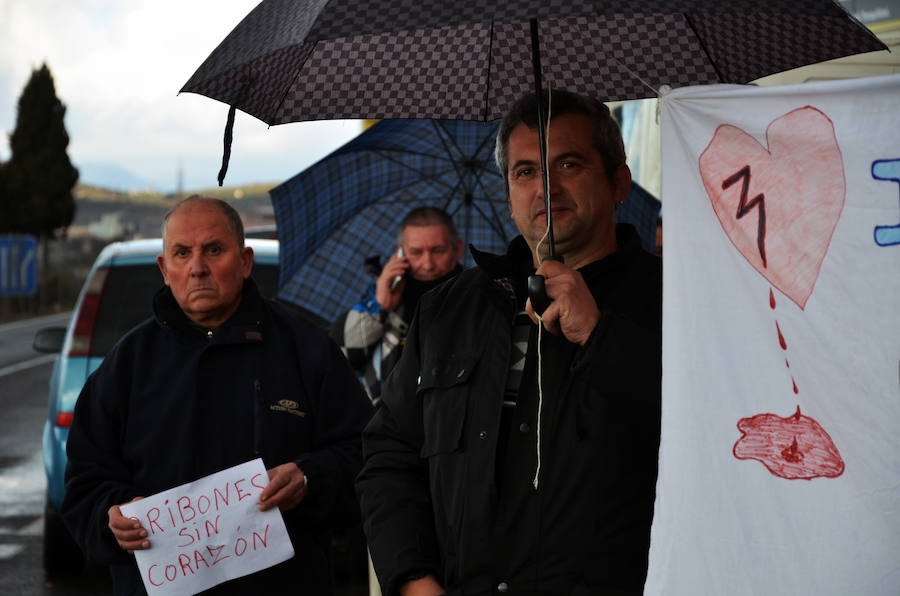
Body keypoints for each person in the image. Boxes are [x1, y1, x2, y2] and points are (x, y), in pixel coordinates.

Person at [356, 90, 662, 596]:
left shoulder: (679, 303)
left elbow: (717, 439)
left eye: (568, 163)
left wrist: (600, 335)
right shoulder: (450, 309)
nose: (546, 188)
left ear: (619, 182)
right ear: (508, 193)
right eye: (525, 172)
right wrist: (412, 579)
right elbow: (389, 454)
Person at [62, 196, 374, 595]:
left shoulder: (306, 350)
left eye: (213, 250)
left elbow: (365, 453)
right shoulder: (127, 364)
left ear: (244, 262)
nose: (197, 268)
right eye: (182, 253)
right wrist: (112, 517)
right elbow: (85, 481)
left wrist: (311, 477)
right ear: (164, 269)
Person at [332, 206, 463, 401]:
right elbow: (337, 357)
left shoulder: (474, 296)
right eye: (416, 252)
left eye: (438, 251)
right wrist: (379, 306)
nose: (427, 264)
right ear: (400, 252)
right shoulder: (383, 294)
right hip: (383, 423)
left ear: (457, 249)